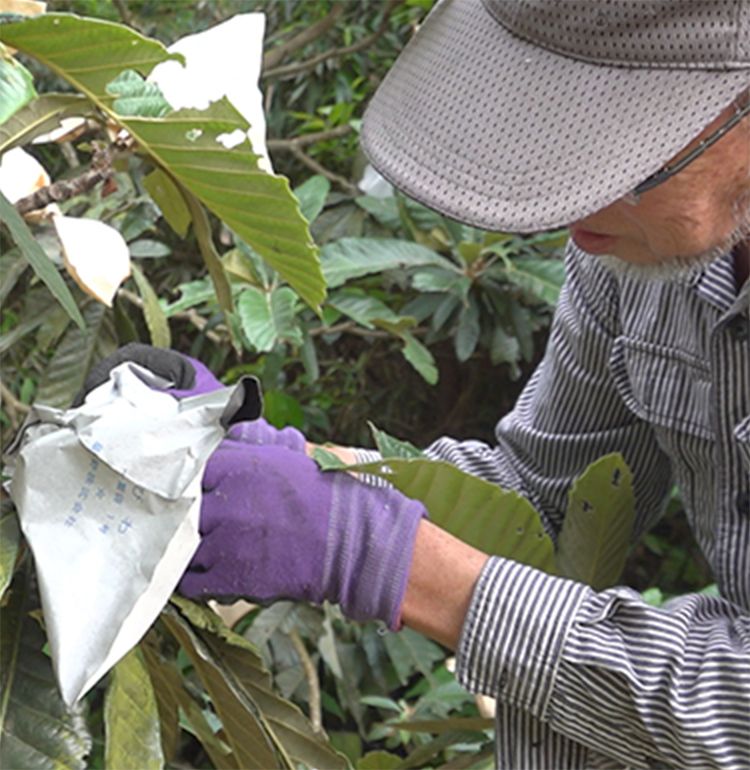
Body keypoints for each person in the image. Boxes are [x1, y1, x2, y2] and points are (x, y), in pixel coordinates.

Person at [87, 1, 749, 768]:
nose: (572, 212)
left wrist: (386, 560)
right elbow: (538, 502)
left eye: (624, 159)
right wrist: (286, 466)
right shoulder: (630, 255)